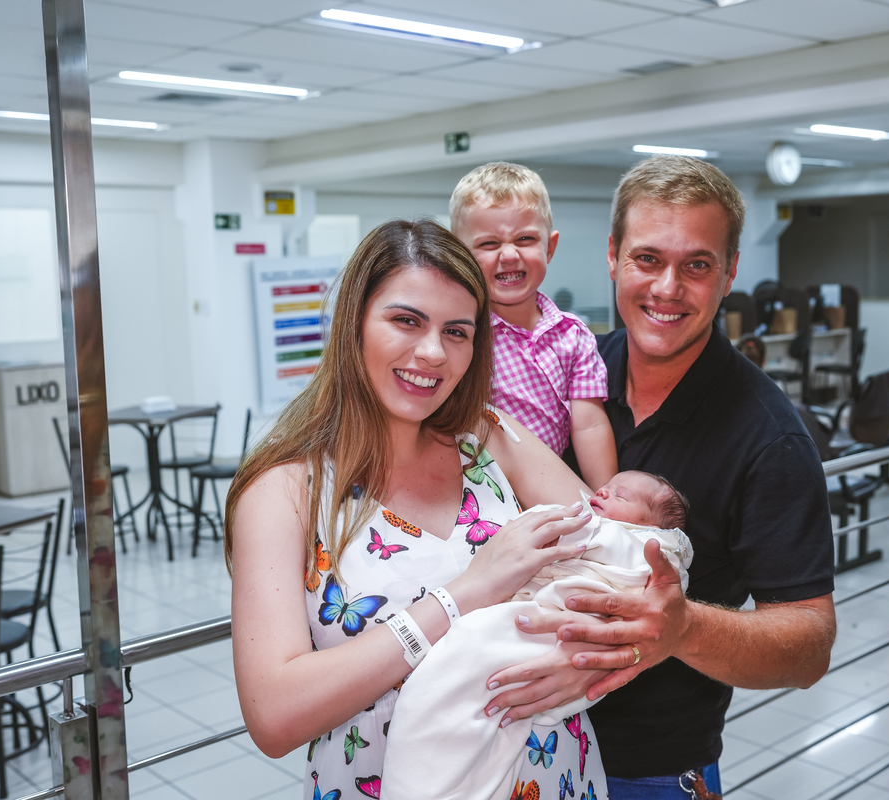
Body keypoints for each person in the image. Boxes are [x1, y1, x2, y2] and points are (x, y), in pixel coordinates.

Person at [482, 157, 838, 800]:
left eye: (697, 265)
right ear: (613, 257)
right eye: (647, 259)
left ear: (730, 272)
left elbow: (809, 646)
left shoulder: (770, 439)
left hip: (644, 772)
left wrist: (683, 629)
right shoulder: (569, 368)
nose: (667, 288)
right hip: (503, 742)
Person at [224, 219, 612, 800]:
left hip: (551, 776)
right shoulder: (285, 491)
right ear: (354, 323)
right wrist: (462, 595)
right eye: (406, 320)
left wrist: (587, 660)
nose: (433, 353)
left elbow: (622, 564)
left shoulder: (490, 438)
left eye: (457, 331)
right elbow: (274, 715)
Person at [382, 471, 693, 800]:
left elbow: (565, 533)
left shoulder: (635, 545)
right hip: (558, 638)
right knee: (497, 725)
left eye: (620, 495)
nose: (602, 492)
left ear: (651, 527)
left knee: (457, 672)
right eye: (606, 487)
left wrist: (546, 517)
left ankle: (418, 787)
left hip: (551, 634)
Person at [451, 162, 617, 489]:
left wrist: (605, 501)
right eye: (489, 244)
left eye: (525, 239)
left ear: (549, 247)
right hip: (476, 488)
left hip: (551, 486)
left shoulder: (574, 336)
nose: (509, 255)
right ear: (460, 254)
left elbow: (590, 427)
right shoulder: (460, 333)